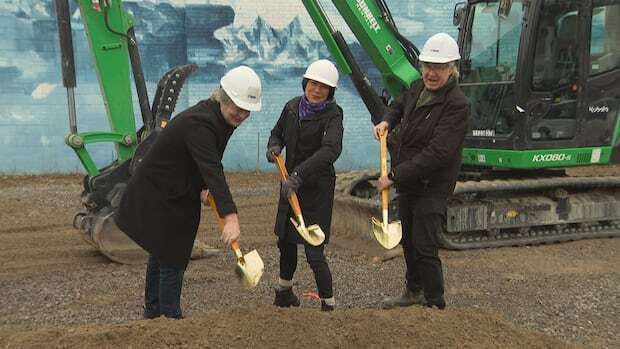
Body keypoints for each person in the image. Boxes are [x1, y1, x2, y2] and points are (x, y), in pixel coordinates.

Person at [115, 66, 262, 319]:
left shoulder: (218, 118)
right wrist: (230, 216)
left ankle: (153, 314)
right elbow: (212, 168)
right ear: (223, 98)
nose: (241, 114)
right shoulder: (201, 124)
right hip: (160, 193)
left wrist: (203, 188)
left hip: (174, 189)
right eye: (237, 108)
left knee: (161, 250)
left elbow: (203, 160)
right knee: (172, 254)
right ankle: (171, 319)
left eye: (246, 110)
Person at [373, 33, 469, 310]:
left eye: (439, 67)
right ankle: (413, 290)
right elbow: (398, 105)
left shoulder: (457, 105)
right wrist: (386, 121)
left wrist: (392, 177)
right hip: (409, 182)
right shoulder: (417, 88)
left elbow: (438, 153)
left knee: (425, 245)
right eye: (427, 65)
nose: (431, 72)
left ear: (452, 69)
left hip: (432, 185)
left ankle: (435, 301)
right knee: (409, 242)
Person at [266, 59, 343, 312]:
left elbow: (330, 150)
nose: (316, 90)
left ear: (330, 91)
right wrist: (274, 146)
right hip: (290, 185)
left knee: (314, 251)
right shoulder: (291, 108)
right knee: (286, 242)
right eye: (313, 84)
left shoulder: (333, 115)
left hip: (316, 189)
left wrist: (299, 175)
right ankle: (284, 292)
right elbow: (276, 132)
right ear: (305, 84)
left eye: (323, 86)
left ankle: (328, 303)